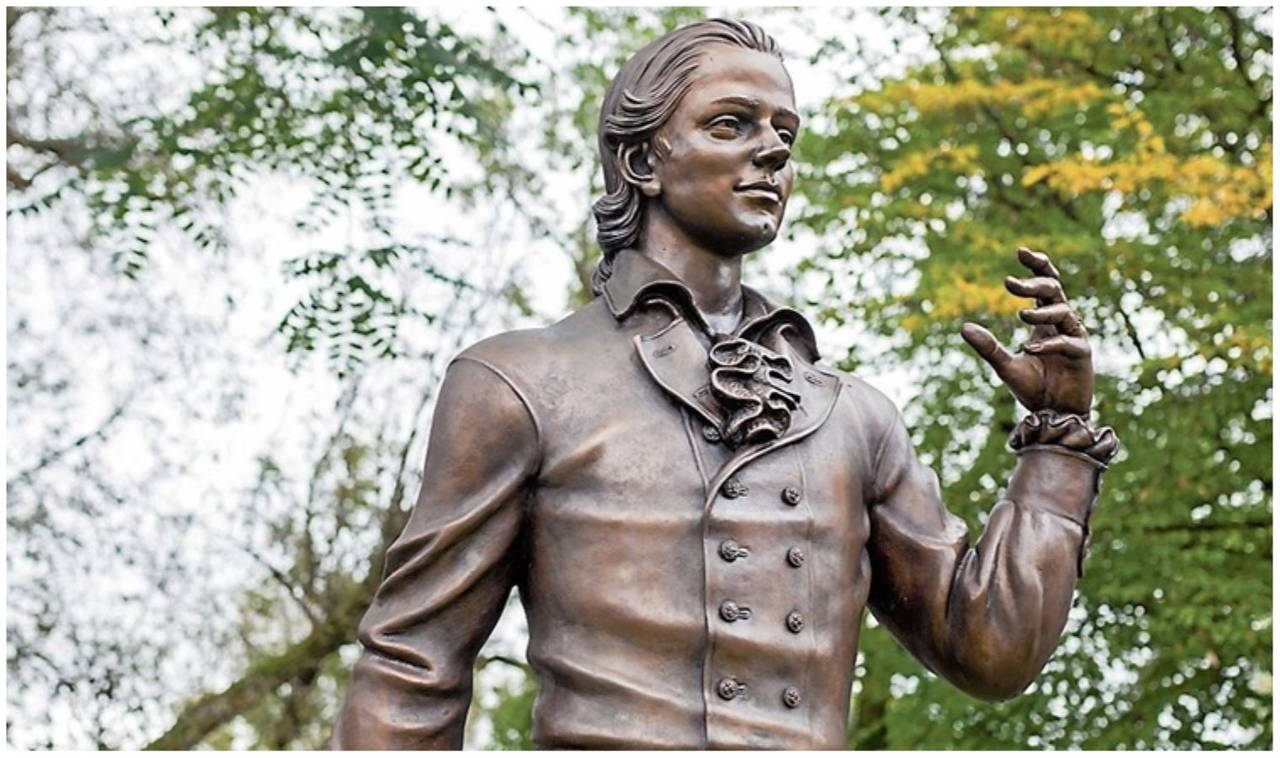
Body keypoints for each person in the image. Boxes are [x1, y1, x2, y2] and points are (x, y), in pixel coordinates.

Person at [331, 18, 1118, 750]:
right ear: (642, 162)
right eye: (731, 124)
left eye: (785, 133)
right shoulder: (523, 382)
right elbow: (412, 670)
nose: (772, 151)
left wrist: (1058, 441)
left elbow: (990, 650)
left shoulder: (853, 417)